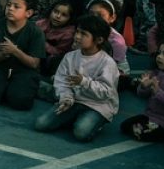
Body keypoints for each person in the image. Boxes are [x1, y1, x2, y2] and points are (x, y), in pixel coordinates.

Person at [34, 14, 120, 142]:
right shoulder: (70, 57)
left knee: (81, 133)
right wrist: (66, 98)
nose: (77, 37)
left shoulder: (107, 63)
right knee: (41, 124)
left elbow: (106, 92)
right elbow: (61, 81)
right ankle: (75, 116)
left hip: (97, 105)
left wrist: (84, 82)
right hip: (74, 100)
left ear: (99, 40)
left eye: (83, 34)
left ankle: (97, 122)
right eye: (77, 32)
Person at [0, 0, 45, 110]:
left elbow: (34, 63)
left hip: (24, 70)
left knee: (21, 102)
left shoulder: (35, 32)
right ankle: (4, 88)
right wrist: (3, 54)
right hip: (0, 67)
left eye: (16, 7)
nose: (10, 9)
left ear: (28, 13)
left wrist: (15, 51)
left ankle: (15, 89)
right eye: (8, 5)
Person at [121, 39, 164, 142]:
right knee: (124, 126)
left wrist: (158, 92)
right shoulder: (156, 73)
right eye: (159, 53)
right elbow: (142, 95)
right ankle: (145, 129)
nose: (159, 57)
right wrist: (144, 86)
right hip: (151, 116)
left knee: (142, 133)